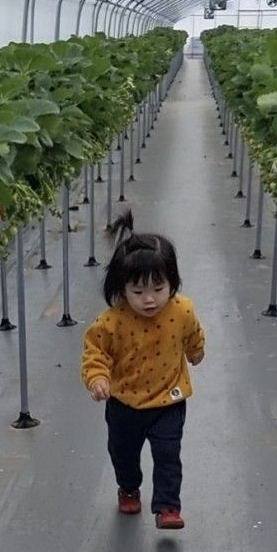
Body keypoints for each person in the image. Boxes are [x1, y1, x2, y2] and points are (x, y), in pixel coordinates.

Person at [80, 210, 205, 530]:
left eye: (158, 289)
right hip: (124, 402)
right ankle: (129, 486)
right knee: (122, 453)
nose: (149, 299)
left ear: (172, 283)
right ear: (122, 290)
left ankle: (168, 507)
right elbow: (95, 352)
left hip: (169, 398)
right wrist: (97, 378)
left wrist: (196, 352)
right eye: (138, 292)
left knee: (168, 454)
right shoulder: (111, 322)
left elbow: (192, 334)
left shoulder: (182, 311)